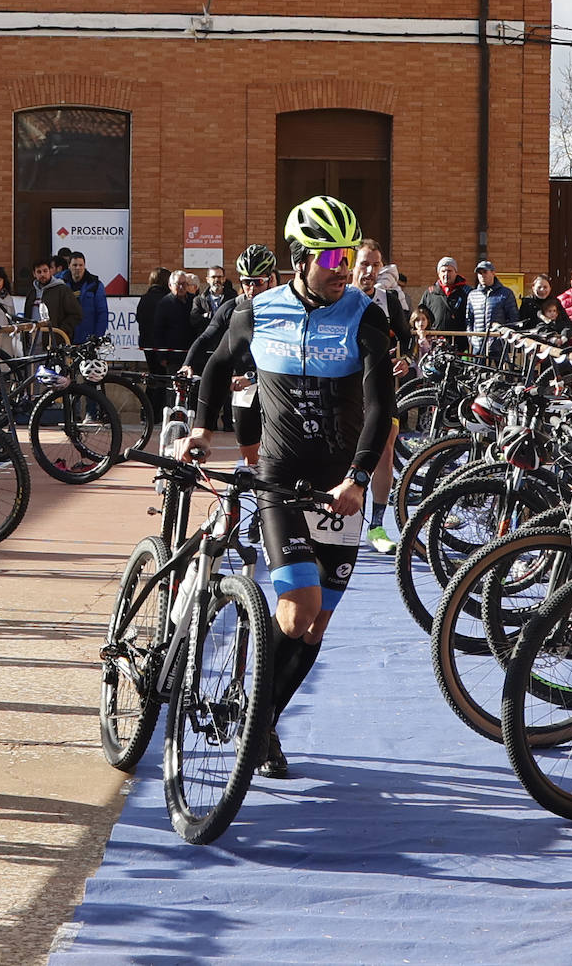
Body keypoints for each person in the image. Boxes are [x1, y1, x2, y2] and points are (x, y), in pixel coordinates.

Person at [179, 195, 393, 779]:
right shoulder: (257, 311)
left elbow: (380, 406)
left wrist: (357, 478)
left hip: (338, 488)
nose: (341, 266)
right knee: (299, 610)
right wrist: (201, 426)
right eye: (329, 254)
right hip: (279, 479)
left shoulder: (363, 315)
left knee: (317, 623)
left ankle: (259, 718)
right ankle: (256, 725)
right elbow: (219, 365)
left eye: (346, 254)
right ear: (299, 258)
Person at [181, 244, 279, 467]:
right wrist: (188, 364)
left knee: (282, 459)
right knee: (250, 457)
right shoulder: (233, 309)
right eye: (246, 282)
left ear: (272, 279)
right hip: (245, 388)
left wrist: (253, 377)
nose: (251, 288)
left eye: (258, 282)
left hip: (277, 388)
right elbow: (208, 342)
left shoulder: (287, 310)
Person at [354, 240, 410, 554]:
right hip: (348, 386)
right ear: (352, 265)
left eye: (376, 265)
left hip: (381, 386)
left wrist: (408, 360)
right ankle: (343, 519)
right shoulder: (341, 298)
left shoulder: (387, 298)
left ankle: (376, 525)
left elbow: (407, 337)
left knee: (385, 451)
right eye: (364, 263)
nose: (370, 271)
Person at [136, 268, 171, 416]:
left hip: (146, 343)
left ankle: (146, 410)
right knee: (162, 379)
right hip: (162, 344)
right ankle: (155, 412)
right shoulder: (167, 299)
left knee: (152, 376)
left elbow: (139, 318)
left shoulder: (145, 298)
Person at [465, 260, 519, 356]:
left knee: (500, 370)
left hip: (499, 345)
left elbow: (513, 318)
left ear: (493, 273)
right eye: (479, 273)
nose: (482, 275)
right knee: (477, 370)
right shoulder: (472, 295)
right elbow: (469, 319)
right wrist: (471, 337)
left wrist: (504, 337)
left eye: (485, 272)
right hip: (478, 344)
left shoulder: (506, 293)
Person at [24, 257, 81, 343]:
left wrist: (60, 332)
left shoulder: (62, 289)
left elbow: (76, 314)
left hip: (54, 344)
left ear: (50, 271)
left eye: (45, 271)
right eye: (39, 272)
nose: (42, 274)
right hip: (32, 343)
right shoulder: (31, 292)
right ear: (34, 274)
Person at [152, 270, 197, 374]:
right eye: (178, 284)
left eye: (184, 284)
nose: (181, 287)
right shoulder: (164, 304)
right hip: (173, 357)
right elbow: (158, 331)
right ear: (170, 285)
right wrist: (162, 356)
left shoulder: (194, 301)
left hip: (192, 355)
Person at [60, 251, 109, 344]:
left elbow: (102, 313)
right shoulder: (60, 284)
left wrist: (98, 337)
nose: (78, 268)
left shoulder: (95, 285)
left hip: (87, 338)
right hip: (65, 336)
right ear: (69, 266)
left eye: (80, 265)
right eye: (74, 265)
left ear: (84, 266)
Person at [419, 256, 469, 334]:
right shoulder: (430, 293)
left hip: (459, 340)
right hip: (435, 339)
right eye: (443, 271)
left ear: (456, 273)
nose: (446, 274)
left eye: (449, 271)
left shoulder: (466, 292)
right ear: (438, 274)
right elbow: (421, 313)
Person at [190, 266, 237, 334]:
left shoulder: (232, 298)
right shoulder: (199, 300)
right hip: (207, 338)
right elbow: (194, 320)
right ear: (207, 279)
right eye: (213, 277)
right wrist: (208, 316)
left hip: (225, 337)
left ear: (224, 279)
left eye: (219, 277)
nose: (217, 280)